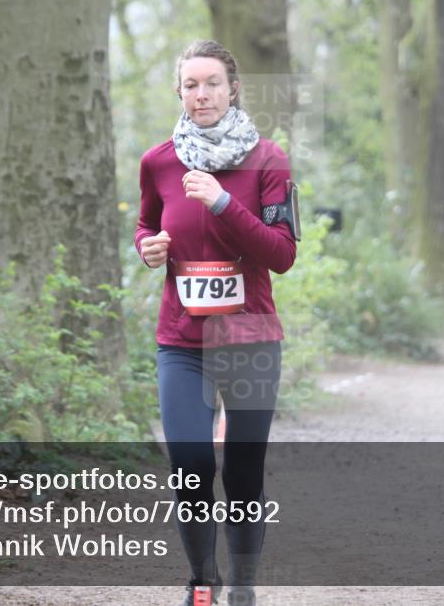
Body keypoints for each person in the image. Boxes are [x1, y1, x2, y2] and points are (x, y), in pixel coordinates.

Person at [135, 40, 297, 606]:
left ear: (232, 90)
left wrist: (223, 203)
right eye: (189, 85)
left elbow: (282, 254)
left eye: (211, 84)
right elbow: (145, 225)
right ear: (178, 92)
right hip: (182, 340)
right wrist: (147, 248)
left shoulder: (268, 161)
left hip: (250, 338)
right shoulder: (158, 161)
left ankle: (245, 585)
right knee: (191, 463)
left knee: (244, 470)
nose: (200, 94)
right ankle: (202, 580)